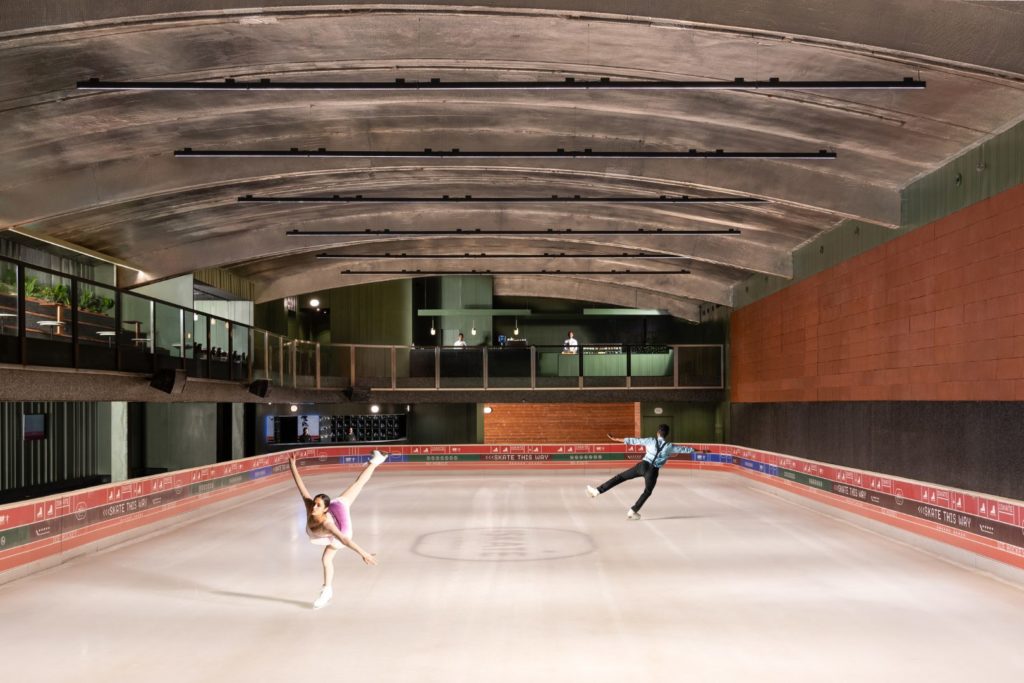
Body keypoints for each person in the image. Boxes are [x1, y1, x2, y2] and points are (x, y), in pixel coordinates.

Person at [288, 449, 387, 609]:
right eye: (314, 502)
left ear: (325, 509)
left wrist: (364, 554)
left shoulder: (328, 524)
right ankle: (376, 461)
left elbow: (345, 540)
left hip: (342, 531)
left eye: (318, 505)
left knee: (326, 559)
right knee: (356, 485)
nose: (314, 506)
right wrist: (292, 465)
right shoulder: (311, 507)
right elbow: (301, 486)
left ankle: (326, 591)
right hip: (331, 515)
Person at [585, 424, 694, 520]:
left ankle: (597, 491)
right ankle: (633, 511)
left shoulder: (651, 440)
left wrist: (615, 439)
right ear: (667, 434)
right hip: (653, 471)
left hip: (642, 466)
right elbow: (686, 449)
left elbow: (633, 440)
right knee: (647, 491)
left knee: (620, 477)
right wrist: (701, 451)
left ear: (657, 433)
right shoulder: (669, 446)